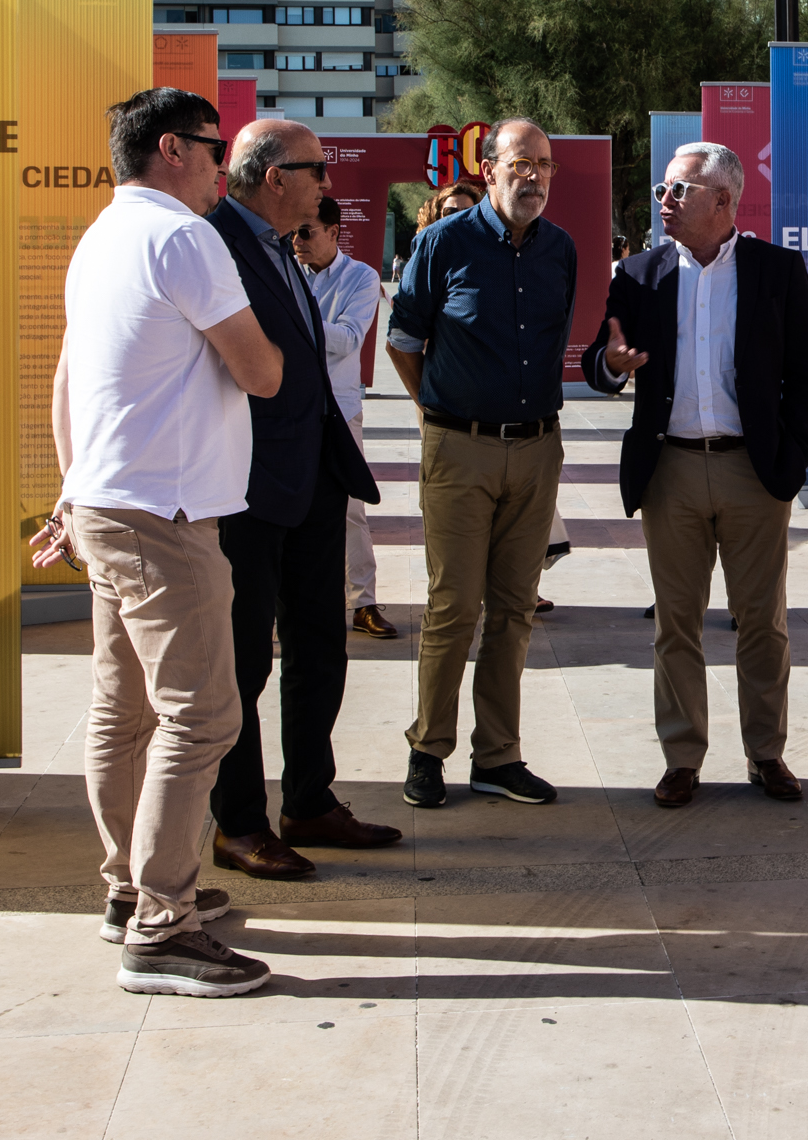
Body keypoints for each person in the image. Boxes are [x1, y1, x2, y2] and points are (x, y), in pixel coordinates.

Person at [41, 87, 287, 997]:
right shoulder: (185, 239)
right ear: (174, 150)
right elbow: (261, 372)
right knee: (205, 716)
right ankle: (162, 925)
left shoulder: (102, 234)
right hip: (167, 516)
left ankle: (125, 893)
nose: (226, 166)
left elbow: (66, 384)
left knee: (125, 712)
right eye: (217, 148)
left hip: (109, 504)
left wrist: (70, 496)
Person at [582, 141, 808, 807]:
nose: (665, 200)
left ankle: (766, 753)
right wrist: (612, 367)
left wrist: (790, 461)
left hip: (753, 472)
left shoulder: (777, 271)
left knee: (762, 625)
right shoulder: (638, 273)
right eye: (663, 189)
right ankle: (682, 756)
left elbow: (805, 375)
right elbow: (598, 363)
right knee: (676, 624)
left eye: (679, 190)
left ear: (723, 201)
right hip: (673, 472)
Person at [203, 121, 395, 879]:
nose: (328, 181)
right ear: (275, 176)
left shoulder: (284, 247)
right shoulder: (213, 243)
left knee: (319, 645)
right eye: (317, 169)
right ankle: (238, 823)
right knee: (244, 663)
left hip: (314, 478)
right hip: (246, 486)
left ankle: (310, 801)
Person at [386, 119, 576, 809]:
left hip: (536, 448)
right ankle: (428, 749)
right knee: (454, 606)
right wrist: (437, 410)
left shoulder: (561, 250)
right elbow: (403, 340)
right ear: (490, 167)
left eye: (545, 165)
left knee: (514, 610)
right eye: (521, 163)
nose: (535, 176)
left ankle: (497, 756)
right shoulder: (443, 243)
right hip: (458, 448)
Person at [297, 196, 397, 639]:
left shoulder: (361, 276)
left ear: (334, 232)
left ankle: (363, 602)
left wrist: (288, 324)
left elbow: (349, 339)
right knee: (282, 506)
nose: (296, 241)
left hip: (338, 410)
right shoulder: (282, 270)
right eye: (293, 232)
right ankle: (291, 603)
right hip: (284, 407)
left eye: (306, 232)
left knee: (349, 509)